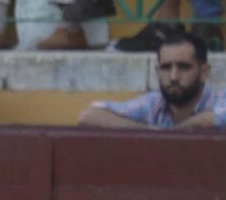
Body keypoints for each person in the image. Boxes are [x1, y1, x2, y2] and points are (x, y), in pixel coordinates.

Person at [78, 29, 226, 129]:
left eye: (183, 67)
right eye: (166, 68)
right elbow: (89, 116)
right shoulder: (153, 103)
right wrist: (148, 131)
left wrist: (171, 134)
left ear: (204, 72)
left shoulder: (220, 99)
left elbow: (211, 119)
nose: (173, 77)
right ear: (157, 71)